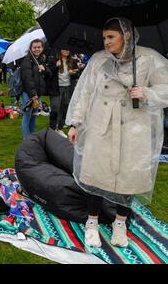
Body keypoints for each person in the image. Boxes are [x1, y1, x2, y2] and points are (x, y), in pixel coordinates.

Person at [66, 17, 168, 248]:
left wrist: (146, 93)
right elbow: (85, 92)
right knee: (94, 173)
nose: (106, 42)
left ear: (127, 35)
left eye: (111, 37)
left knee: (128, 176)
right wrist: (75, 123)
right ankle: (91, 222)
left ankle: (120, 223)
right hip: (100, 124)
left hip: (135, 127)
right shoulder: (98, 60)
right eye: (104, 37)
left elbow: (165, 88)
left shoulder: (149, 58)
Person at [20, 39, 52, 140]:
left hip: (38, 93)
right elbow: (27, 79)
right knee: (27, 116)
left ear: (42, 48)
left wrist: (45, 69)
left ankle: (32, 138)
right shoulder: (27, 60)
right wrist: (33, 95)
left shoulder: (41, 60)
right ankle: (26, 140)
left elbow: (49, 75)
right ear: (31, 48)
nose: (37, 49)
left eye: (39, 47)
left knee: (34, 115)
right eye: (34, 47)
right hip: (29, 94)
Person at [47, 48, 80, 138]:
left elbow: (77, 75)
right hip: (56, 88)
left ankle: (60, 128)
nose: (66, 51)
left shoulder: (72, 61)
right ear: (60, 50)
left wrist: (73, 73)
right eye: (64, 49)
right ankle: (52, 130)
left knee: (65, 108)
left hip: (68, 87)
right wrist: (56, 67)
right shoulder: (54, 60)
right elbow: (48, 74)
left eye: (68, 50)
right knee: (55, 108)